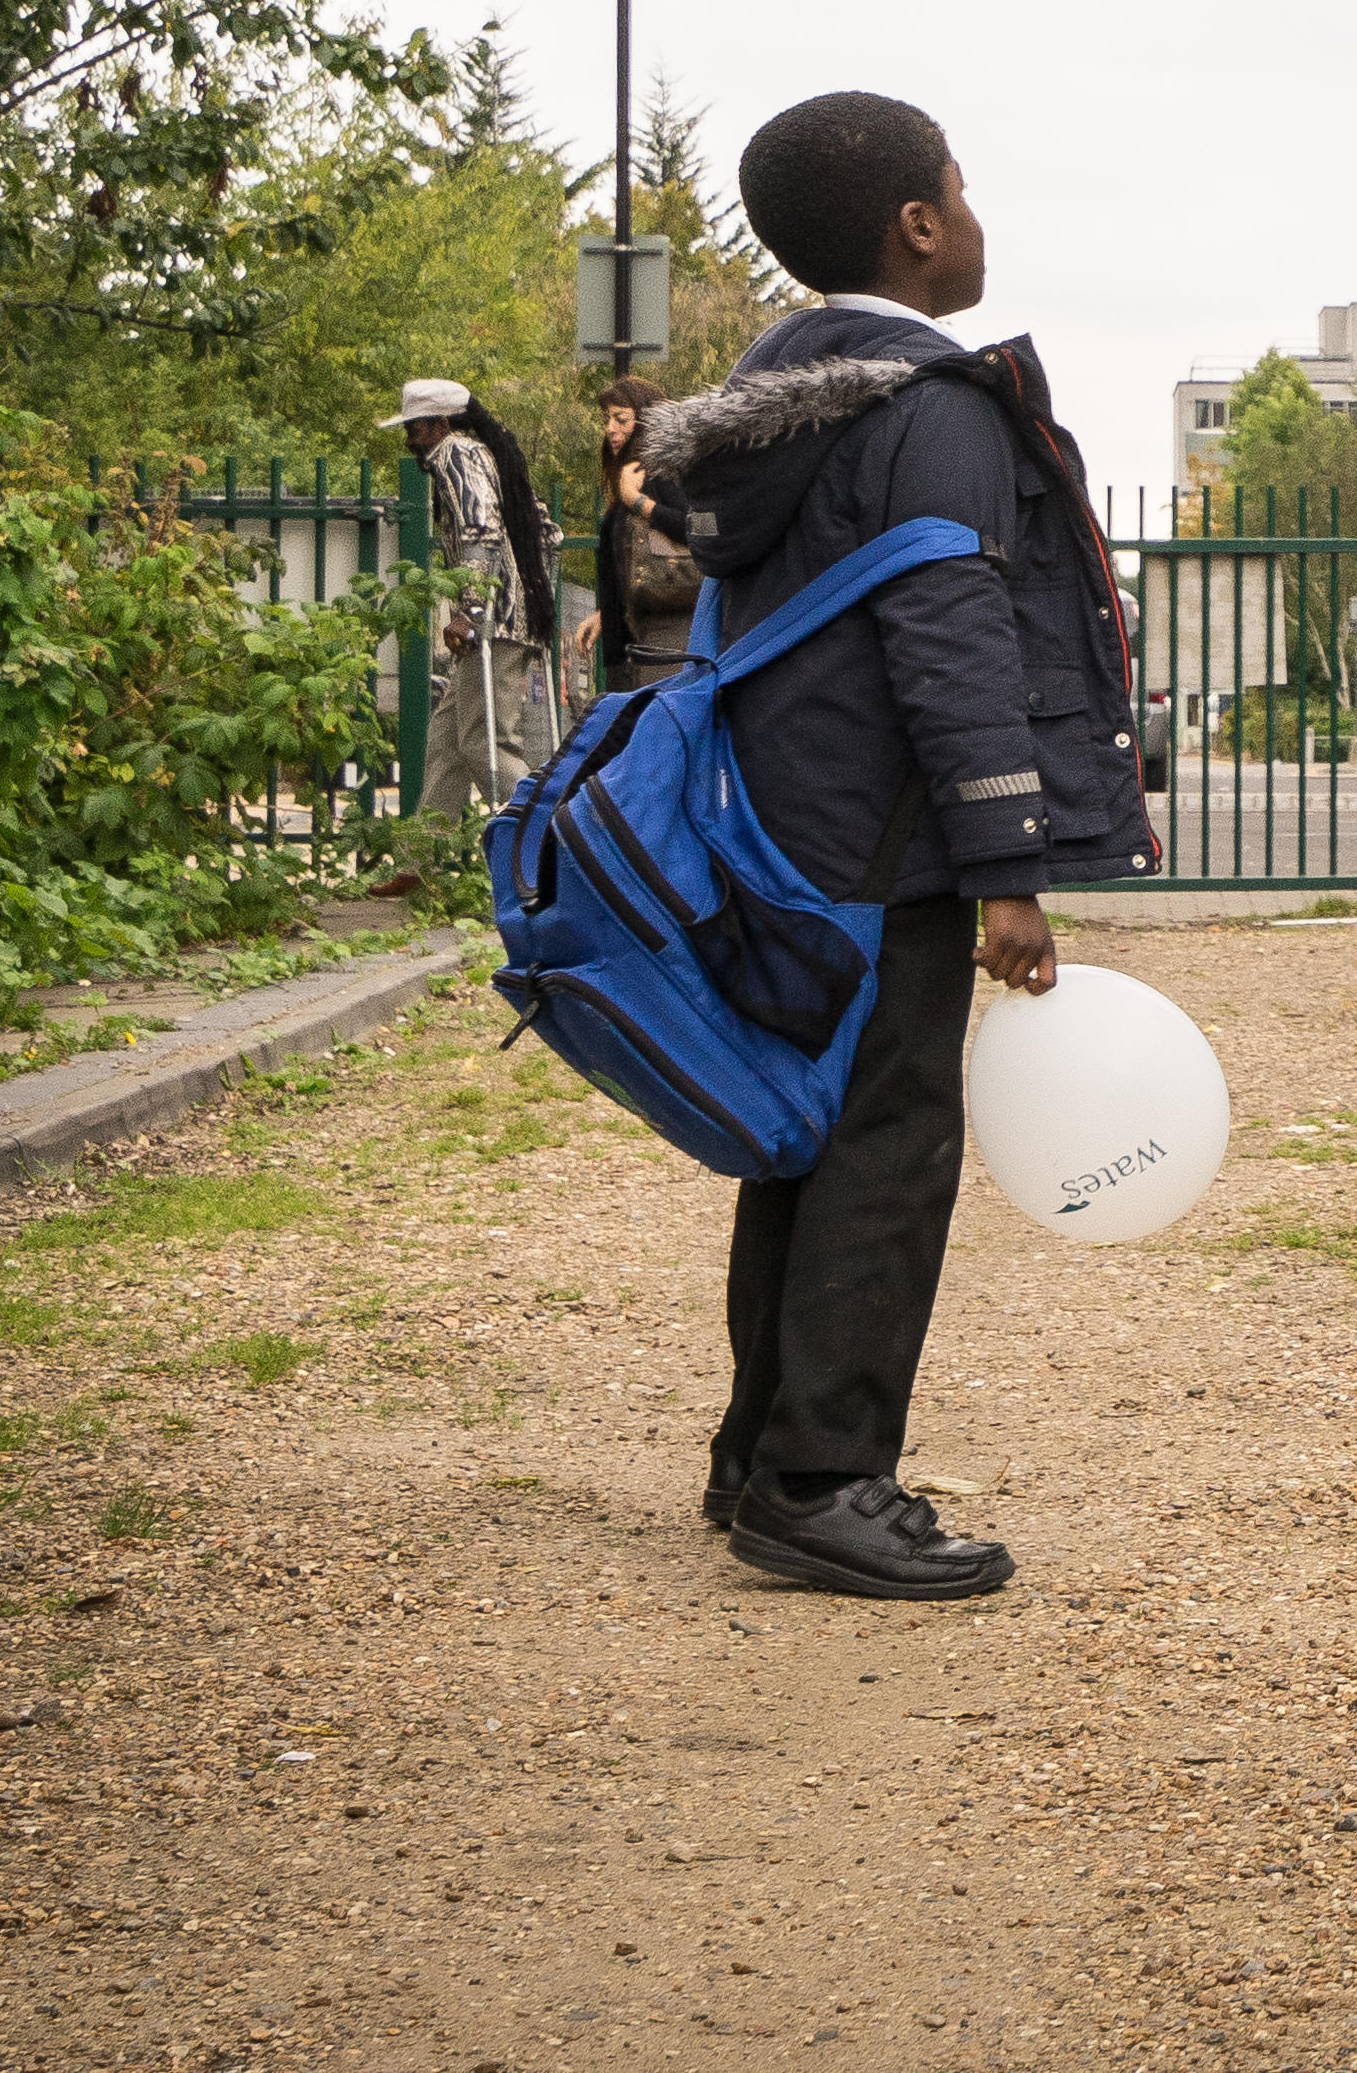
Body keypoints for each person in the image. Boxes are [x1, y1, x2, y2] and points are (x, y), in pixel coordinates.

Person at [626, 91, 1157, 1602]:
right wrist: (1007, 867)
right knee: (886, 1147)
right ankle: (821, 1479)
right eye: (962, 190)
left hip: (780, 834)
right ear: (919, 225)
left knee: (801, 1140)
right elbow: (951, 637)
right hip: (888, 845)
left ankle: (758, 1455)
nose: (977, 218)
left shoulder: (780, 405)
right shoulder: (928, 408)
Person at [396, 377, 560, 823]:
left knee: (486, 742)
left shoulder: (454, 454)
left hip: (494, 623)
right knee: (446, 743)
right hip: (506, 616)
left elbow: (479, 531)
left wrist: (468, 611)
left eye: (415, 428)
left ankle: (550, 833)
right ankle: (421, 861)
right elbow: (547, 531)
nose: (409, 439)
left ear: (441, 424)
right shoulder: (486, 455)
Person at [579, 373, 701, 693]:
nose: (610, 429)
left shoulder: (661, 471)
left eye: (621, 419)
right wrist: (605, 613)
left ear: (645, 421)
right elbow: (627, 560)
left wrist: (639, 502)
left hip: (669, 628)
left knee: (657, 728)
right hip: (634, 634)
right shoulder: (630, 473)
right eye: (607, 419)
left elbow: (698, 528)